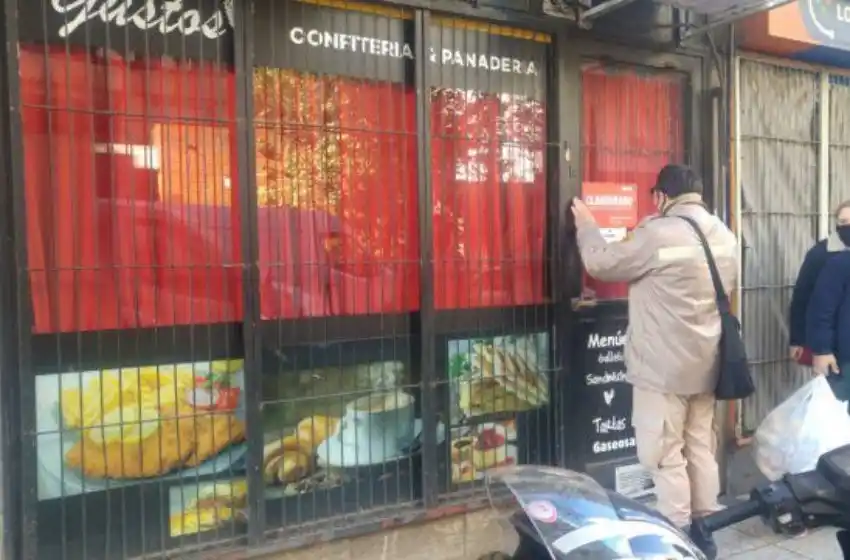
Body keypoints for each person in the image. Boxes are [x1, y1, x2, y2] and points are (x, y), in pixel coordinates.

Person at [572, 164, 738, 559]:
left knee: (664, 454)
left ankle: (678, 534)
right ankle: (706, 527)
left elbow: (602, 263)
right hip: (709, 361)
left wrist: (587, 226)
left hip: (663, 368)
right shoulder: (724, 233)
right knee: (700, 446)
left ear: (662, 196)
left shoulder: (657, 232)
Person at [789, 200, 850, 364]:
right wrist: (797, 339)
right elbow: (802, 297)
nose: (848, 226)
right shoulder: (820, 254)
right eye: (843, 222)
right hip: (827, 342)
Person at [804, 241, 850, 408]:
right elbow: (821, 309)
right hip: (845, 362)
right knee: (839, 419)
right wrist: (822, 350)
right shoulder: (840, 264)